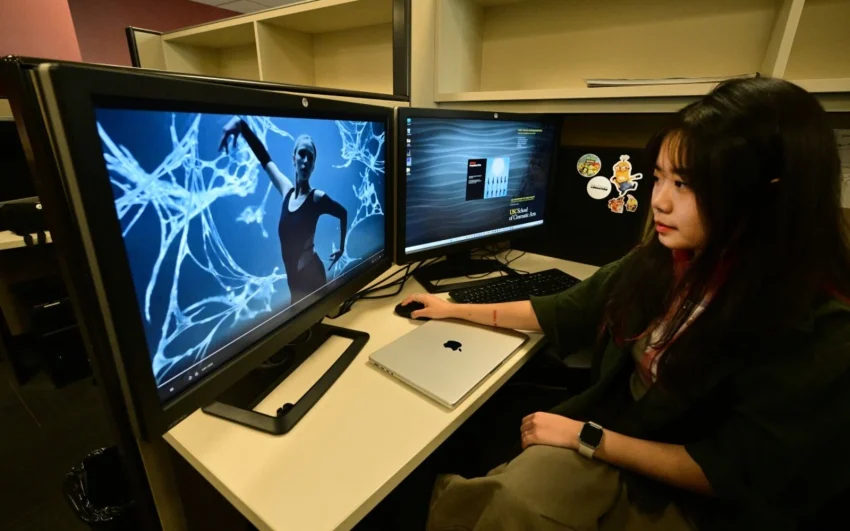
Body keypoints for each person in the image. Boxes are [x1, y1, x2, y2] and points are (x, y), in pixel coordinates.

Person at [374, 78, 850, 530]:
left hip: (697, 503)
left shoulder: (822, 330)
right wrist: (454, 308)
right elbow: (565, 309)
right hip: (623, 433)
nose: (659, 201)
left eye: (685, 184)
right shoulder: (668, 260)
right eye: (659, 177)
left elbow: (728, 472)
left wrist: (588, 438)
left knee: (517, 499)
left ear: (767, 196)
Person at [219, 117, 347, 303]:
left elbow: (342, 213)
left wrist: (341, 248)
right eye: (302, 154)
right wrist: (242, 126)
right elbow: (265, 159)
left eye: (310, 158)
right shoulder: (287, 191)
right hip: (294, 281)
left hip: (311, 276)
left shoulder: (316, 197)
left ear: (313, 165)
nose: (305, 161)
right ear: (293, 158)